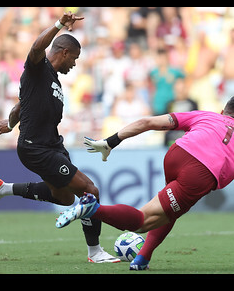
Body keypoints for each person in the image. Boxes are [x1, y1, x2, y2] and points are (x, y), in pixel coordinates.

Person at [0, 11, 120, 263]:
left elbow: (19, 107)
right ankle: (95, 252)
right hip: (37, 148)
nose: (75, 64)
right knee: (90, 190)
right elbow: (36, 47)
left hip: (52, 146)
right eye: (75, 58)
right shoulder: (38, 68)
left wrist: (10, 123)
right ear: (64, 52)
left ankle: (3, 189)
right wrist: (58, 25)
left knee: (64, 197)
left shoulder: (51, 80)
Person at [56, 96, 234, 270]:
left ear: (222, 112)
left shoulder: (208, 116)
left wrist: (111, 141)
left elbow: (147, 122)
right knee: (143, 222)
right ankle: (93, 209)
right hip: (199, 173)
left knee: (169, 212)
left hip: (177, 153)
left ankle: (142, 258)